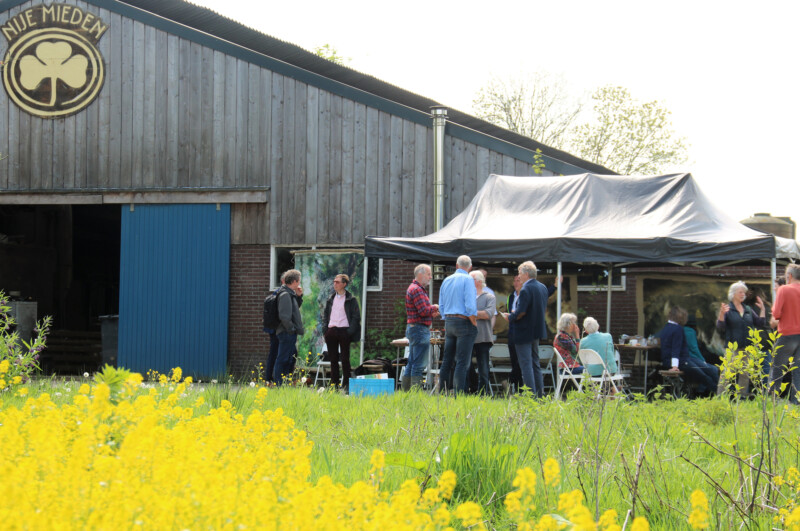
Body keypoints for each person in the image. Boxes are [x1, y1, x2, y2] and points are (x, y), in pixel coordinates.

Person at [502, 261, 548, 397]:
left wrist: (510, 317)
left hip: (523, 331)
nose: (518, 276)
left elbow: (521, 312)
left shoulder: (526, 289)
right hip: (536, 331)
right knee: (535, 363)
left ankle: (531, 396)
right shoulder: (543, 287)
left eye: (519, 273)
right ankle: (540, 394)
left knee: (526, 365)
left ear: (526, 274)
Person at [716, 281, 766, 395]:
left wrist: (762, 309)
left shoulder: (748, 309)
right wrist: (722, 314)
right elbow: (720, 328)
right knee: (727, 374)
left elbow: (760, 323)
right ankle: (720, 397)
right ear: (733, 294)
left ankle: (742, 398)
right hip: (732, 348)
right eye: (740, 292)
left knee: (745, 374)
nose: (743, 294)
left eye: (744, 292)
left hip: (747, 348)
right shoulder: (728, 309)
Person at [438, 255, 478, 394]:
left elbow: (441, 305)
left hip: (449, 321)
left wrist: (446, 316)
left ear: (456, 265)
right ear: (470, 268)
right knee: (462, 361)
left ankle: (442, 392)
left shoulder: (446, 280)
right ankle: (459, 394)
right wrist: (474, 322)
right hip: (464, 321)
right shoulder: (468, 279)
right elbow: (470, 305)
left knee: (447, 360)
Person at [660, 306, 718, 397]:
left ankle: (724, 392)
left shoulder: (666, 328)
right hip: (682, 361)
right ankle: (724, 393)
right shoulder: (678, 329)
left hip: (681, 359)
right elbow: (676, 348)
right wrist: (674, 366)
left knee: (710, 370)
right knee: (706, 375)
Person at [322, 274, 361, 392]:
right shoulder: (330, 299)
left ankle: (347, 385)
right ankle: (334, 385)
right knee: (333, 359)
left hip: (344, 331)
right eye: (334, 282)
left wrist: (349, 332)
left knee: (345, 359)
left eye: (338, 282)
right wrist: (326, 330)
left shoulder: (351, 299)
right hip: (331, 331)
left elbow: (356, 317)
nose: (335, 284)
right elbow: (325, 316)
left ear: (344, 284)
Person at [403, 264, 440, 391]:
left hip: (414, 328)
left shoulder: (414, 288)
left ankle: (405, 392)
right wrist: (435, 307)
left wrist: (431, 313)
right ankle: (415, 394)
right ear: (420, 274)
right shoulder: (417, 290)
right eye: (429, 274)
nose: (430, 277)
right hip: (419, 330)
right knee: (418, 365)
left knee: (412, 362)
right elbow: (424, 311)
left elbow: (421, 312)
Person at [265, 271, 303, 383]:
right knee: (283, 358)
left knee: (289, 358)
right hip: (286, 332)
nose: (299, 283)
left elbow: (293, 310)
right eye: (299, 280)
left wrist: (299, 296)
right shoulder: (285, 294)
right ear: (295, 281)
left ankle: (284, 382)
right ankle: (279, 383)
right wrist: (291, 329)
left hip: (287, 331)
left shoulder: (289, 293)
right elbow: (284, 316)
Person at [770, 264, 800, 404]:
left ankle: (772, 401)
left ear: (789, 276)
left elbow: (776, 314)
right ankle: (797, 403)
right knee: (798, 372)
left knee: (777, 370)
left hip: (787, 334)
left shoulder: (784, 289)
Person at [471, 270, 496, 395]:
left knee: (483, 367)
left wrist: (470, 313)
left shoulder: (489, 297)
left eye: (471, 280)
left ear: (479, 282)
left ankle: (482, 393)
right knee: (463, 363)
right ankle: (470, 389)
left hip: (483, 337)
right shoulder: (466, 296)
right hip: (468, 336)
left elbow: (488, 314)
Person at [683, 315, 720, 388]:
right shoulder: (690, 332)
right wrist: (702, 360)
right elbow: (694, 348)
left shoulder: (681, 330)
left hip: (687, 360)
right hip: (692, 359)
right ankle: (720, 389)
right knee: (713, 370)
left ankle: (704, 389)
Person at [505, 275, 524, 392]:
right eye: (515, 280)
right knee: (514, 360)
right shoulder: (511, 296)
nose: (516, 283)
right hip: (512, 331)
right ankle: (517, 388)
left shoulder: (525, 295)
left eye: (519, 280)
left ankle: (510, 380)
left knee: (520, 360)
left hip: (522, 331)